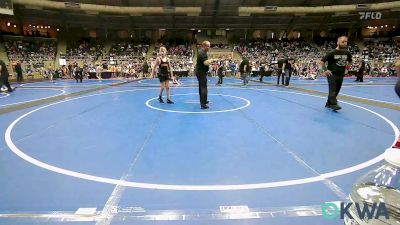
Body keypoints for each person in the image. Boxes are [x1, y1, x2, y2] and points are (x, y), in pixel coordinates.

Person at [319, 36, 352, 111]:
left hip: (341, 74)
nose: (345, 43)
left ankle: (328, 103)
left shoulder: (347, 53)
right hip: (332, 74)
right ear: (338, 42)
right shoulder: (332, 52)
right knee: (333, 89)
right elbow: (321, 62)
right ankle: (334, 104)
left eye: (346, 42)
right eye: (343, 42)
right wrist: (325, 70)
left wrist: (347, 69)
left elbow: (350, 61)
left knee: (337, 90)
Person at [196, 41, 215, 109]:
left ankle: (203, 100)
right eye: (208, 46)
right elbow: (205, 63)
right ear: (204, 46)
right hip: (201, 72)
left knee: (202, 87)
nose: (209, 47)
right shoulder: (202, 53)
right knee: (203, 88)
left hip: (200, 72)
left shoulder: (202, 52)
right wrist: (211, 60)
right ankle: (203, 104)